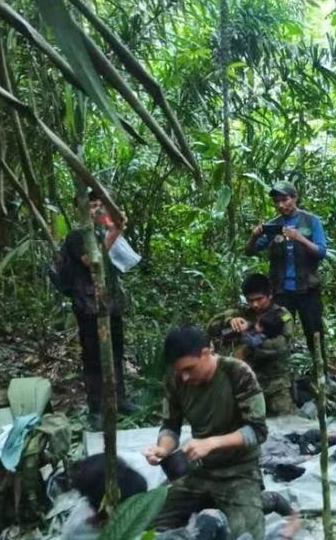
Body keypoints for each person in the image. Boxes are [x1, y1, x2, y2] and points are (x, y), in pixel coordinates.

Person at [144, 325, 267, 540]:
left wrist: (211, 443)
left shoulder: (237, 373)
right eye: (179, 370)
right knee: (147, 523)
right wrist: (163, 448)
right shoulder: (176, 379)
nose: (184, 377)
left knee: (247, 535)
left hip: (238, 472)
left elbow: (257, 431)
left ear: (205, 353)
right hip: (197, 472)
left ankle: (266, 500)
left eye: (189, 369)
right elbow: (170, 426)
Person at [64, 189, 136, 428]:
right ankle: (96, 408)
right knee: (93, 357)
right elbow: (92, 261)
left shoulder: (102, 231)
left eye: (99, 205)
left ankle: (120, 399)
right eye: (91, 206)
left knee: (116, 352)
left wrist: (114, 229)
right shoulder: (77, 236)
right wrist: (114, 232)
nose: (96, 210)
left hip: (111, 303)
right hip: (89, 306)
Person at [245, 181, 329, 381]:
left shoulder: (310, 221)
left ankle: (322, 375)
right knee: (277, 333)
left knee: (314, 332)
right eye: (277, 201)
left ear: (295, 198)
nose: (281, 205)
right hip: (282, 292)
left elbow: (321, 252)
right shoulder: (274, 225)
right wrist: (254, 236)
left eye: (285, 199)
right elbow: (250, 251)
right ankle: (280, 376)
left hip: (308, 290)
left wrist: (300, 238)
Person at [207, 273, 296, 416]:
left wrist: (249, 338)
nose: (255, 304)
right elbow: (211, 325)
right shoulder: (242, 312)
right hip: (245, 382)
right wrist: (230, 321)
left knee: (287, 421)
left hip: (275, 383)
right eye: (250, 300)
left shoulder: (282, 315)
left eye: (259, 299)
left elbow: (281, 345)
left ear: (270, 295)